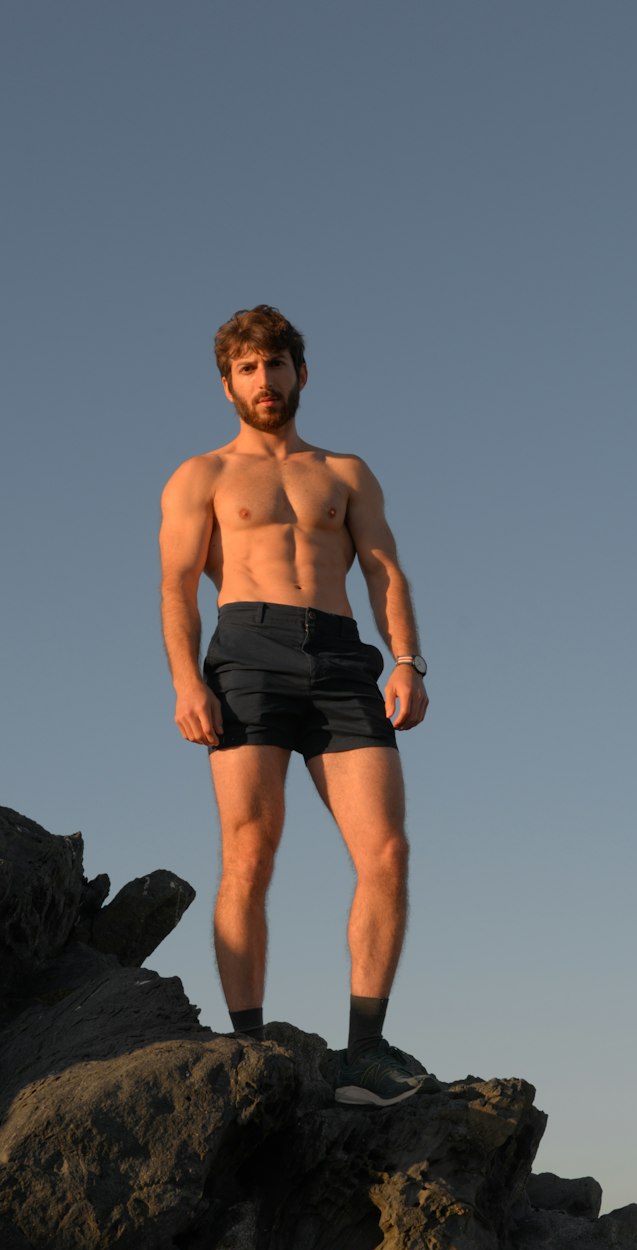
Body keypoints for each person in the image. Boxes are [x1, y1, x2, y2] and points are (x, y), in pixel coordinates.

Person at [159, 305, 430, 1106]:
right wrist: (185, 682)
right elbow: (176, 588)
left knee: (386, 852)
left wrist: (408, 661)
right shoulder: (200, 475)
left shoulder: (346, 473)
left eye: (274, 365)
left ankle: (366, 1053)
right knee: (250, 851)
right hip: (245, 651)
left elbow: (385, 572)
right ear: (227, 384)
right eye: (246, 368)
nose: (263, 380)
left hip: (343, 656)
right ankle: (246, 1046)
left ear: (299, 373)